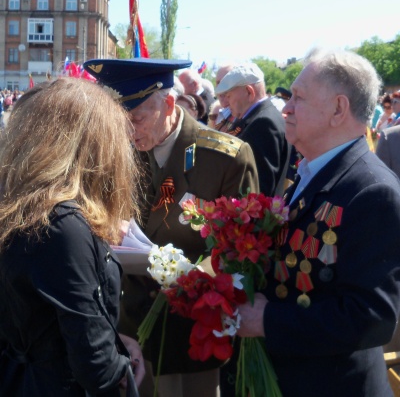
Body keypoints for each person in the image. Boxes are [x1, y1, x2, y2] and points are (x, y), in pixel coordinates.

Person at [83, 58, 259, 397]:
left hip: (191, 333)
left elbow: (240, 253)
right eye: (119, 121)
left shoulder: (225, 158)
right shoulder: (117, 152)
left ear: (167, 104)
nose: (127, 131)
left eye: (136, 119)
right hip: (129, 329)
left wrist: (185, 274)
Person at [236, 48, 400, 396]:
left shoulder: (373, 192)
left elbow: (372, 317)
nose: (286, 107)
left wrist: (268, 320)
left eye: (299, 97)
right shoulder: (310, 170)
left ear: (339, 109)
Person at [0, 77, 145, 396]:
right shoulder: (61, 224)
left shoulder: (16, 203)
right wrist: (123, 364)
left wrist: (115, 342)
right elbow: (95, 367)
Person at [215, 62, 291, 197]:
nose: (226, 102)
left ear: (249, 92)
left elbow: (259, 188)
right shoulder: (260, 117)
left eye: (229, 96)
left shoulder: (263, 123)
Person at [214, 64, 235, 133]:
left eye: (225, 83)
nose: (220, 89)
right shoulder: (221, 114)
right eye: (218, 83)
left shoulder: (244, 115)